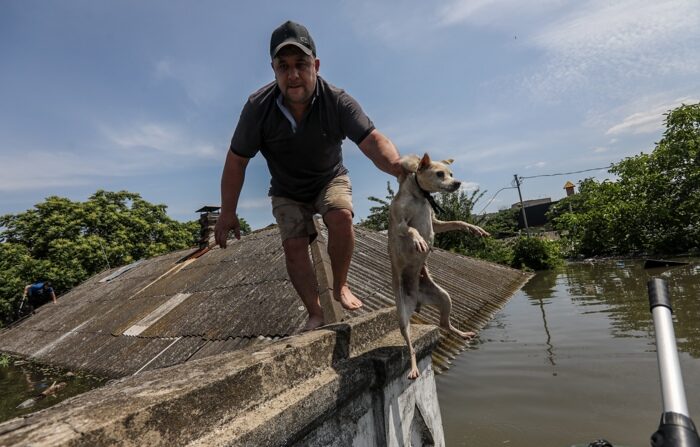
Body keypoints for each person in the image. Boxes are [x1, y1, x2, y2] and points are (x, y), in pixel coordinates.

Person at [214, 20, 403, 331]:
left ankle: (340, 285)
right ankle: (315, 311)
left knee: (341, 215)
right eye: (283, 66)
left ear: (315, 65)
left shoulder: (337, 100)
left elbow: (371, 139)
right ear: (273, 69)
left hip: (329, 177)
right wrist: (228, 212)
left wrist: (396, 166)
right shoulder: (257, 107)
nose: (293, 75)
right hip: (287, 189)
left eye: (301, 64)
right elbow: (237, 161)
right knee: (294, 243)